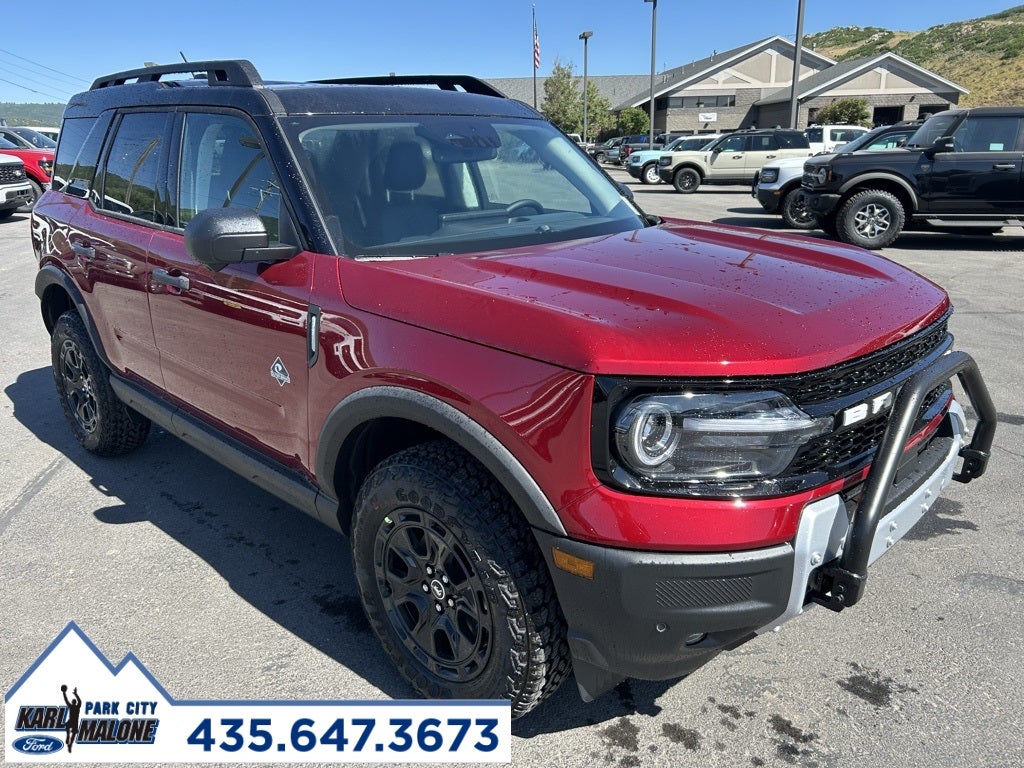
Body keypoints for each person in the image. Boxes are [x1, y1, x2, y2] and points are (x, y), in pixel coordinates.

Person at [61, 685, 81, 753]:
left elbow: (66, 700)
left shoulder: (73, 706)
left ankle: (69, 740)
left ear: (73, 702)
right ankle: (69, 740)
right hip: (74, 722)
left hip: (73, 721)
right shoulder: (76, 707)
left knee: (68, 728)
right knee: (72, 733)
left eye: (73, 701)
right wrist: (75, 694)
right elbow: (79, 701)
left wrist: (64, 693)